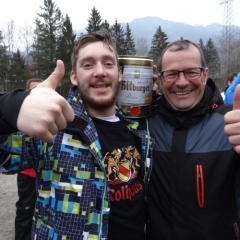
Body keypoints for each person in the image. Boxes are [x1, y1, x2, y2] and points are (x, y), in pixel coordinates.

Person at [0, 29, 154, 240]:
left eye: (108, 63)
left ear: (119, 74)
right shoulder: (54, 128)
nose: (100, 71)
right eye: (88, 64)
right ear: (74, 76)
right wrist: (13, 107)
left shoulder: (139, 128)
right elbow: (4, 157)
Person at [146, 39, 240, 240]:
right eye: (171, 74)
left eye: (191, 72)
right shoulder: (144, 125)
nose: (181, 82)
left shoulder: (231, 123)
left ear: (205, 75)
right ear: (160, 80)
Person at [15, 78, 42, 240]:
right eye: (34, 91)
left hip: (47, 175)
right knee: (26, 211)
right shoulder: (20, 115)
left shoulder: (53, 113)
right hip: (27, 173)